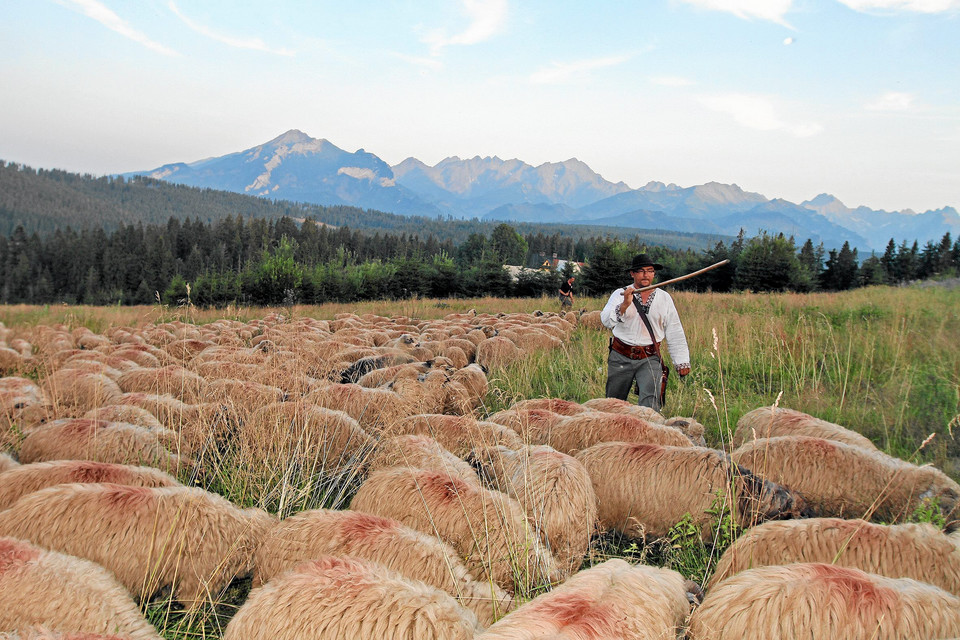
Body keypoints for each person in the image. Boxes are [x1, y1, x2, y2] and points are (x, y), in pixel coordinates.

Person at [600, 254, 691, 410]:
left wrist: (681, 361)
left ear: (654, 274)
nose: (646, 275)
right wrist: (624, 305)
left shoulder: (664, 298)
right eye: (641, 271)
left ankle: (647, 433)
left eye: (649, 271)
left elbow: (674, 330)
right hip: (621, 355)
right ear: (632, 273)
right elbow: (606, 320)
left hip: (650, 357)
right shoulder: (620, 294)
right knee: (613, 403)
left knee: (650, 404)